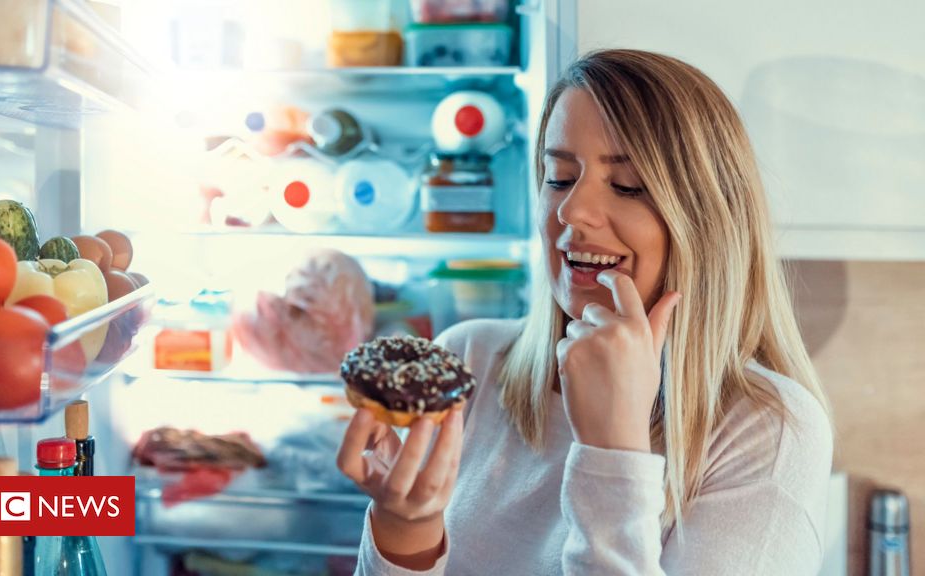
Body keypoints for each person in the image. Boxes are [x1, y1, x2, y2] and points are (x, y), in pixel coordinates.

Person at [336, 49, 833, 575]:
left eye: (627, 186)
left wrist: (613, 452)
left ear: (707, 217)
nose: (572, 211)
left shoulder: (768, 430)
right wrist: (406, 530)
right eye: (558, 177)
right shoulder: (469, 359)